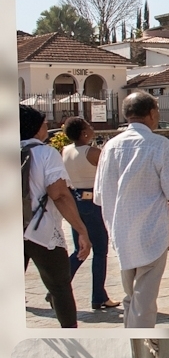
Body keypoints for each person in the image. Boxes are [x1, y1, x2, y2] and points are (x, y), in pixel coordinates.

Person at [94, 91, 169, 328]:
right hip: (151, 231)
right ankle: (140, 338)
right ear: (153, 114)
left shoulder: (110, 147)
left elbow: (100, 194)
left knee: (130, 294)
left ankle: (130, 332)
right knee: (144, 297)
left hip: (120, 231)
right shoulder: (160, 145)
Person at [20, 104, 91, 329]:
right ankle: (70, 333)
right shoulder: (45, 153)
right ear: (33, 127)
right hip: (41, 230)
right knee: (59, 287)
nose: (46, 127)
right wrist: (81, 229)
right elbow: (59, 194)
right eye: (43, 124)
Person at [61, 117, 119, 313]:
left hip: (75, 201)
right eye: (89, 127)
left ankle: (58, 287)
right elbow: (110, 173)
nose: (92, 128)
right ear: (84, 133)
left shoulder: (66, 151)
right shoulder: (93, 152)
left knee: (80, 249)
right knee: (100, 250)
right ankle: (98, 296)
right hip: (92, 201)